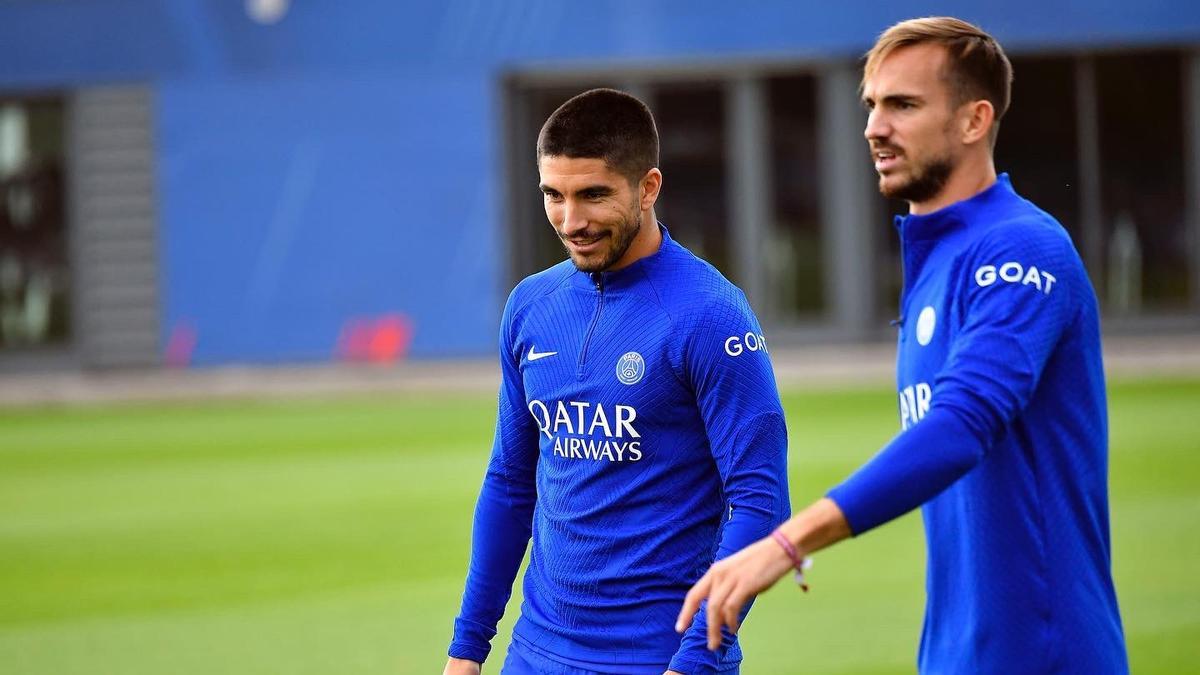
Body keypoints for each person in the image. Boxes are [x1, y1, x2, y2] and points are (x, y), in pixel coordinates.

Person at [676, 17, 1128, 674]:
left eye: (903, 105)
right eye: (872, 105)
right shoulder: (938, 261)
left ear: (975, 120)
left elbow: (962, 424)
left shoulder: (1021, 249)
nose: (874, 126)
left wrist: (787, 541)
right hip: (956, 652)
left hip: (1043, 652)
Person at [444, 88, 790, 675]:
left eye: (593, 195)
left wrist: (695, 661)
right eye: (553, 195)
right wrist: (467, 649)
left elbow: (760, 501)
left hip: (658, 659)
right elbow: (508, 483)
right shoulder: (531, 306)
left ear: (648, 187)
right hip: (535, 654)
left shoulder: (710, 315)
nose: (571, 221)